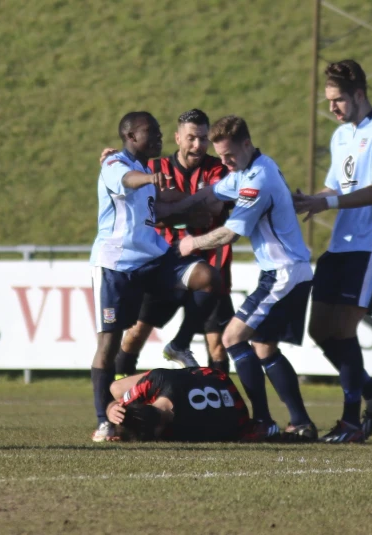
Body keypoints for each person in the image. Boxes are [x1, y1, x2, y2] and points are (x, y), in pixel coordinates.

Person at [162, 115, 317, 441]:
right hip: (285, 270)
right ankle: (299, 422)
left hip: (283, 272)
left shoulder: (257, 180)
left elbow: (231, 233)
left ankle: (261, 421)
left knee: (232, 338)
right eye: (220, 156)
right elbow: (210, 195)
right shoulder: (248, 168)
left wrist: (191, 243)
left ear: (247, 144)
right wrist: (167, 211)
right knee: (263, 346)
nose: (224, 162)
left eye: (229, 155)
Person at [90, 111, 220, 442]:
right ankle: (104, 419)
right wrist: (149, 180)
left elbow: (161, 205)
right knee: (110, 343)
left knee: (207, 276)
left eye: (161, 131)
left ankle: (179, 343)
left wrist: (192, 207)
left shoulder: (147, 168)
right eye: (153, 132)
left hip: (154, 258)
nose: (160, 136)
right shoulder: (115, 165)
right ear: (131, 136)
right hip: (117, 266)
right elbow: (128, 182)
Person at [293, 59, 372, 443]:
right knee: (320, 330)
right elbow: (336, 188)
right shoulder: (341, 137)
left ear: (358, 95)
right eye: (328, 101)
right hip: (341, 245)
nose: (332, 108)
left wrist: (328, 205)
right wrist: (307, 200)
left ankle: (350, 421)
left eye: (337, 100)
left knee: (343, 329)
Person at [100, 109, 234, 378]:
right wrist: (182, 209)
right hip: (164, 264)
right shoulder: (153, 168)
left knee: (218, 345)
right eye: (191, 138)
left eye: (203, 139)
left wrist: (169, 207)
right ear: (178, 138)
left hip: (209, 264)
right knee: (134, 336)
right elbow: (150, 212)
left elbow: (212, 209)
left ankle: (217, 406)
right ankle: (121, 397)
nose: (198, 145)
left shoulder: (217, 169)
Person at [105, 367, 252, 442]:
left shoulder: (179, 432)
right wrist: (113, 409)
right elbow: (123, 404)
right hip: (216, 377)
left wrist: (111, 408)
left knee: (115, 389)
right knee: (117, 388)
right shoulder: (156, 381)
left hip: (238, 417)